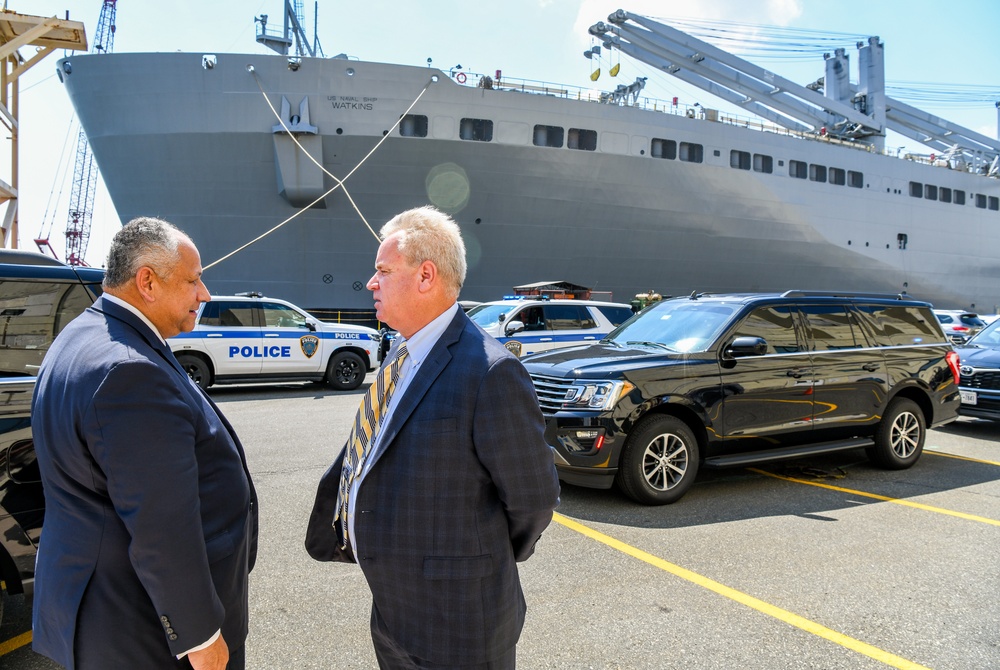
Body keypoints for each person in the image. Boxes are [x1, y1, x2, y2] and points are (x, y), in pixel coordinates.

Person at [306, 206, 560, 668]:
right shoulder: (400, 355)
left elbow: (534, 497)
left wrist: (484, 561)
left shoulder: (490, 372)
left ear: (426, 276)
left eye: (383, 270)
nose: (371, 282)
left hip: (459, 623)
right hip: (392, 613)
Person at [31, 217, 258, 670]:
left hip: (102, 611)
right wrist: (200, 635)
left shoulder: (82, 336)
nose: (205, 293)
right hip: (141, 630)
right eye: (193, 280)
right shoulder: (129, 372)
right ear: (147, 282)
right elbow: (161, 525)